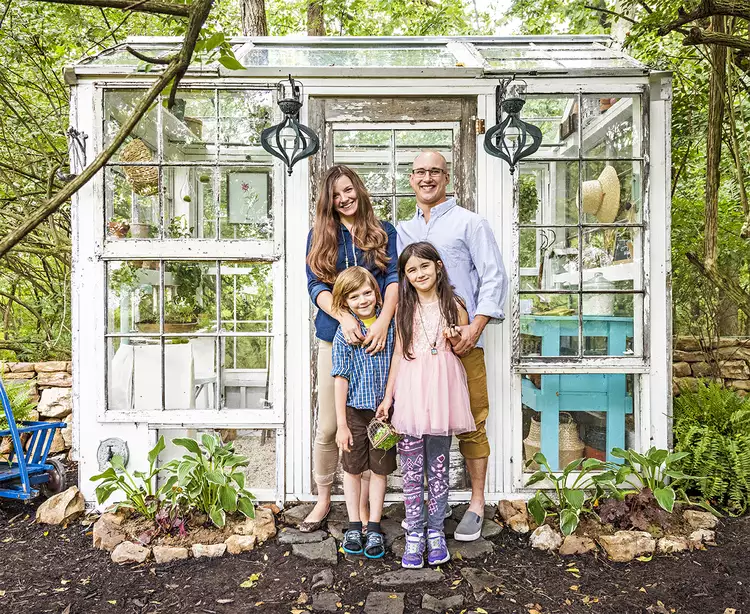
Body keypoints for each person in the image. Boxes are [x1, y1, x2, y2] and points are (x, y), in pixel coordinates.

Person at [397, 151, 507, 542]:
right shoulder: (403, 231)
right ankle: (428, 506)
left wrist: (474, 329)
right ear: (411, 179)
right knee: (422, 424)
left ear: (447, 177)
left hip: (464, 344)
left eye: (435, 172)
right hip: (420, 352)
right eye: (420, 172)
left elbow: (494, 277)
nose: (427, 178)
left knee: (473, 422)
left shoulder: (470, 223)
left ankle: (476, 504)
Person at [302, 165, 399, 532]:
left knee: (378, 423)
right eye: (335, 195)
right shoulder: (319, 235)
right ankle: (325, 499)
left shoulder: (383, 231)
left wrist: (385, 321)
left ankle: (371, 515)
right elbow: (314, 285)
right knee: (330, 425)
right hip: (336, 337)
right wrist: (343, 317)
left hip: (379, 336)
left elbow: (393, 278)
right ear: (328, 201)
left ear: (358, 189)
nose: (343, 199)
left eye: (348, 191)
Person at [376, 242, 475, 568]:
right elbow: (398, 354)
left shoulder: (455, 304)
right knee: (412, 467)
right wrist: (389, 397)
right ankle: (415, 532)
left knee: (438, 465)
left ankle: (435, 532)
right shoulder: (405, 309)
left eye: (424, 266)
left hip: (444, 389)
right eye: (411, 270)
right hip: (412, 389)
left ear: (438, 266)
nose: (419, 274)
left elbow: (463, 347)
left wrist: (454, 336)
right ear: (405, 276)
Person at [331, 266, 397, 558]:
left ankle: (374, 528)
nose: (363, 300)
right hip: (355, 413)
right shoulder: (345, 332)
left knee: (380, 470)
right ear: (345, 302)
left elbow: (397, 363)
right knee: (353, 469)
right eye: (354, 296)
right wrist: (342, 425)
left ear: (376, 291)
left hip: (384, 413)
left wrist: (389, 399)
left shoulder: (389, 325)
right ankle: (354, 525)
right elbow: (340, 378)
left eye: (367, 292)